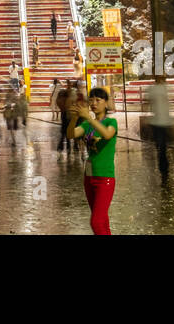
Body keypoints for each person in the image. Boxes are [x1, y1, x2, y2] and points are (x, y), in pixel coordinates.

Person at [68, 87, 119, 235]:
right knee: (102, 220)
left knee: (96, 221)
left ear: (106, 103)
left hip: (105, 177)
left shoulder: (111, 121)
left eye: (98, 100)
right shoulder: (86, 125)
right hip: (89, 177)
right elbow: (71, 135)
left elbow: (107, 134)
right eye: (91, 100)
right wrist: (75, 118)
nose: (94, 103)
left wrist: (89, 118)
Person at [146, 78, 172, 180]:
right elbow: (147, 102)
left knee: (162, 148)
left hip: (164, 122)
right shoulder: (152, 88)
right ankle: (164, 169)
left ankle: (164, 169)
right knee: (161, 147)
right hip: (157, 122)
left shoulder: (165, 87)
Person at [55, 81, 71, 151]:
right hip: (66, 114)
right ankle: (66, 145)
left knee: (64, 131)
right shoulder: (64, 99)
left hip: (65, 114)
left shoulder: (60, 99)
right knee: (65, 131)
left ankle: (64, 145)